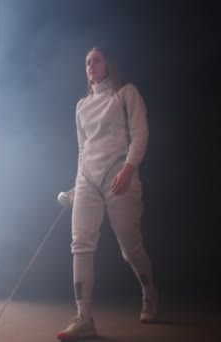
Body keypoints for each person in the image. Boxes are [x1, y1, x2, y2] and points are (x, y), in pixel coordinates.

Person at [56, 47, 157, 340]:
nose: (91, 65)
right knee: (81, 244)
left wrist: (129, 168)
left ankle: (150, 291)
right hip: (87, 179)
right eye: (87, 62)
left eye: (96, 60)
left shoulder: (126, 93)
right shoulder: (81, 106)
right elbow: (82, 149)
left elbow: (140, 132)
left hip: (119, 176)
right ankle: (83, 317)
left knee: (130, 249)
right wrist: (79, 184)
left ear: (108, 63)